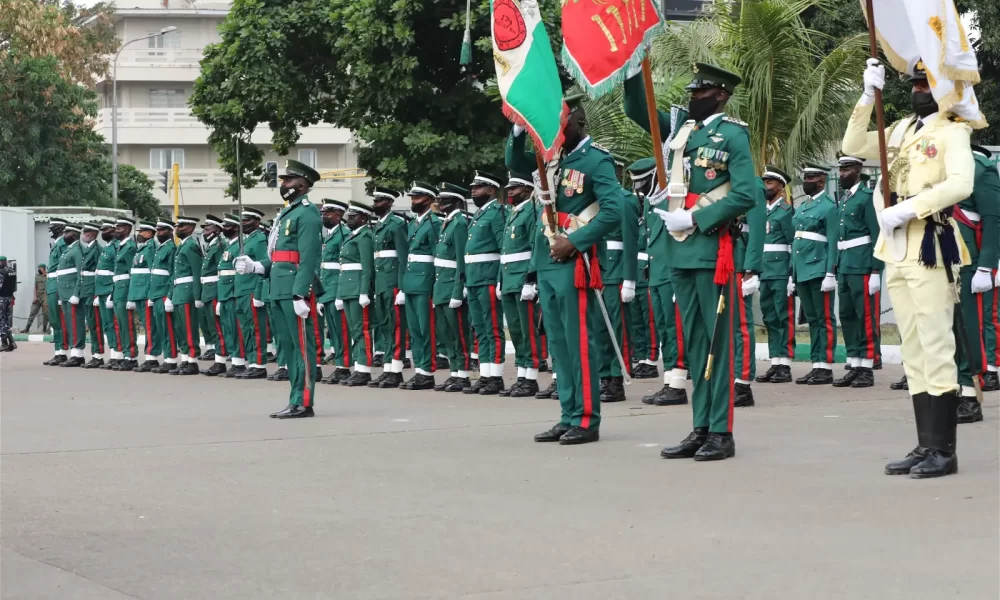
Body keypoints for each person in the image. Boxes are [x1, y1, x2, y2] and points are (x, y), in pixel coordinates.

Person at [843, 58, 974, 478]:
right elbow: (852, 146)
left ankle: (945, 451)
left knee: (936, 345)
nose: (919, 90)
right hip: (896, 248)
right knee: (914, 347)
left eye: (927, 83)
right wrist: (866, 96)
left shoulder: (954, 130)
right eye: (915, 83)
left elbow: (960, 183)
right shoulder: (899, 129)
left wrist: (909, 208)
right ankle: (925, 444)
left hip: (930, 242)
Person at [626, 62, 757, 459]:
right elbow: (638, 110)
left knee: (717, 343)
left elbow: (747, 194)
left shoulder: (733, 135)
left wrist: (697, 217)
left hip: (712, 248)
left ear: (720, 94)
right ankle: (700, 425)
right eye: (692, 91)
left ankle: (722, 432)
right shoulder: (682, 131)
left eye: (700, 92)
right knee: (695, 344)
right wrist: (633, 70)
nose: (691, 97)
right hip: (678, 251)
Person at [507, 97, 623, 446]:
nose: (555, 131)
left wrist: (577, 242)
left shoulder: (596, 160)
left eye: (560, 123)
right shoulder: (550, 159)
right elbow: (514, 162)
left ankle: (587, 419)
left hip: (575, 263)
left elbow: (614, 210)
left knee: (579, 343)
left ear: (579, 123)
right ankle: (568, 414)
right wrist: (519, 127)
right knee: (558, 345)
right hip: (547, 260)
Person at [236, 159, 323, 419]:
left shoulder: (307, 213)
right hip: (277, 288)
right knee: (288, 348)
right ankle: (295, 398)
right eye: (284, 180)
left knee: (302, 348)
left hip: (293, 290)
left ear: (303, 184)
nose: (283, 184)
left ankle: (304, 402)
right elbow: (278, 256)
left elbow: (308, 258)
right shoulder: (288, 212)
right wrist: (255, 266)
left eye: (288, 180)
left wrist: (300, 293)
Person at [626, 158, 688, 406]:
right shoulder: (651, 205)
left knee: (675, 330)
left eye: (643, 182)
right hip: (656, 275)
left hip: (672, 273)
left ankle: (678, 385)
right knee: (663, 329)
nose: (640, 189)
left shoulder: (671, 200)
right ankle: (669, 381)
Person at [953, 144, 1000, 422]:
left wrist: (986, 265)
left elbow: (994, 219)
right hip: (935, 257)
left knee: (969, 327)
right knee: (945, 329)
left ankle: (970, 394)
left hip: (967, 258)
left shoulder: (978, 169)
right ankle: (950, 389)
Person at [831, 157, 882, 389]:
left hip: (862, 264)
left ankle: (868, 367)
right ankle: (854, 362)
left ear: (858, 171)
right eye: (841, 169)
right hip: (845, 264)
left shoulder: (867, 198)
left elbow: (877, 235)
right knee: (847, 315)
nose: (842, 173)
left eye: (847, 169)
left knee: (866, 317)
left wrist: (875, 270)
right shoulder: (844, 199)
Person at [790, 163, 838, 386]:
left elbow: (832, 243)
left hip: (819, 268)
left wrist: (830, 273)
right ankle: (816, 364)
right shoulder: (802, 206)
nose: (806, 181)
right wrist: (792, 274)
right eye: (805, 177)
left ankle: (825, 366)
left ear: (821, 181)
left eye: (810, 178)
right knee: (812, 320)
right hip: (802, 269)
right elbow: (796, 240)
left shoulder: (828, 206)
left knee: (824, 318)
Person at [498, 171, 544, 397]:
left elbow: (536, 247)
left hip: (522, 278)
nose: (510, 193)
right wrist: (500, 280)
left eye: (514, 189)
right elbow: (504, 252)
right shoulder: (512, 213)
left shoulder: (532, 211)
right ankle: (521, 376)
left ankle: (531, 378)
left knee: (528, 331)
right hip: (508, 279)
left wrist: (531, 280)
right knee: (516, 330)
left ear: (526, 190)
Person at [595, 172, 638, 404]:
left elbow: (631, 241)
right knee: (600, 331)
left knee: (618, 330)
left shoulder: (626, 200)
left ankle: (617, 379)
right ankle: (604, 376)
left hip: (616, 272)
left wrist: (629, 279)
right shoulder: (592, 200)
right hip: (598, 272)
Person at [464, 171, 508, 395]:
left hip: (489, 277)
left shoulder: (497, 212)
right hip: (474, 278)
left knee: (492, 329)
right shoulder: (479, 214)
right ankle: (485, 374)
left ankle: (496, 377)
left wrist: (501, 279)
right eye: (473, 187)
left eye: (478, 187)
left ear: (491, 190)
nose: (473, 191)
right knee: (480, 329)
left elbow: (503, 248)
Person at [400, 181, 442, 390]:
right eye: (412, 198)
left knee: (427, 330)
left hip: (425, 281)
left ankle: (428, 372)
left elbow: (437, 256)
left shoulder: (434, 223)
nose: (413, 201)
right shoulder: (412, 223)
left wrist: (435, 283)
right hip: (411, 282)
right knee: (415, 329)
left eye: (417, 198)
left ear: (428, 200)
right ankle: (419, 370)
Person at [754, 167, 795, 384]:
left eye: (770, 183)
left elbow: (792, 243)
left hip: (781, 271)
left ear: (780, 186)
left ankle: (785, 364)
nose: (766, 187)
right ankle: (775, 361)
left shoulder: (786, 211)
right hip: (765, 272)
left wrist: (791, 275)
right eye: (764, 183)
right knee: (769, 317)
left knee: (783, 316)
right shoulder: (762, 210)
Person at [432, 182, 473, 392]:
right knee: (446, 333)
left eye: (445, 199)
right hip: (441, 286)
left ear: (457, 201)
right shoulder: (446, 223)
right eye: (440, 199)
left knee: (459, 333)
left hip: (452, 286)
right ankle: (454, 373)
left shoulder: (459, 223)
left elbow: (461, 260)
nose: (440, 203)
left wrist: (459, 290)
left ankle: (463, 374)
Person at [369, 187, 409, 388]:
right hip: (381, 283)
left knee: (396, 326)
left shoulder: (396, 224)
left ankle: (397, 369)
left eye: (379, 201)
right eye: (375, 201)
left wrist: (402, 287)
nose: (375, 204)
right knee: (384, 326)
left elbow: (403, 258)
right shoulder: (378, 226)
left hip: (393, 282)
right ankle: (387, 368)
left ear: (389, 203)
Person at [732, 179, 766, 407]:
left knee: (741, 326)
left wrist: (750, 269)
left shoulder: (751, 185)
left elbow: (756, 228)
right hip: (719, 263)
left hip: (739, 264)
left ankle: (742, 383)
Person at [337, 199, 376, 386]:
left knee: (362, 330)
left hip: (357, 288)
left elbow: (367, 267)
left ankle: (364, 368)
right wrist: (339, 293)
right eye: (348, 216)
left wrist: (364, 291)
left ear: (364, 218)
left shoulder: (365, 236)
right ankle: (358, 367)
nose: (349, 219)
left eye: (353, 217)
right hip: (347, 288)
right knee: (354, 330)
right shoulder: (352, 236)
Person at [625, 163, 658, 382]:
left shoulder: (656, 204)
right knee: (637, 318)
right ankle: (642, 355)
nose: (638, 189)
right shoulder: (644, 206)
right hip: (637, 271)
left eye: (642, 183)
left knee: (650, 319)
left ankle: (652, 359)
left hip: (650, 270)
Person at [317, 200, 352, 384]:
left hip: (337, 286)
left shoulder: (344, 234)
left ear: (339, 215)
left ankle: (344, 366)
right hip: (326, 287)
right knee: (332, 330)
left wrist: (340, 293)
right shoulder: (328, 235)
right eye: (323, 213)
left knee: (341, 330)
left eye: (328, 213)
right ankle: (339, 363)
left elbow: (344, 265)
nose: (324, 216)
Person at [235, 208, 269, 379]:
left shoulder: (260, 239)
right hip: (241, 289)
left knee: (256, 329)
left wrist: (259, 293)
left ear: (256, 222)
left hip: (252, 289)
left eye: (247, 220)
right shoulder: (245, 240)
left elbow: (264, 266)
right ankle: (251, 361)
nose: (243, 223)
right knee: (246, 329)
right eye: (242, 220)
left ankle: (259, 364)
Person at [169, 215, 202, 375]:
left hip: (188, 291)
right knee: (180, 328)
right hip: (178, 291)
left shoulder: (191, 246)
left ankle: (193, 361)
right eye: (177, 226)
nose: (177, 229)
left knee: (189, 327)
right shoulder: (181, 246)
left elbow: (197, 272)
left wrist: (197, 296)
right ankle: (185, 359)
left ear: (190, 228)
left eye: (181, 226)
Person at [55, 223, 89, 367]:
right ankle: (73, 353)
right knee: (69, 324)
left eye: (67, 233)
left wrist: (76, 293)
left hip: (72, 293)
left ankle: (78, 354)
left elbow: (81, 274)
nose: (64, 235)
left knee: (76, 323)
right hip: (64, 293)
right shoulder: (68, 250)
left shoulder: (78, 250)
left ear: (74, 234)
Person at [216, 213, 246, 378]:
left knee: (236, 329)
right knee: (228, 329)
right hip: (225, 293)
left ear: (235, 228)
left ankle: (239, 362)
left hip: (233, 293)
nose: (223, 229)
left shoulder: (239, 247)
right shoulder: (229, 246)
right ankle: (235, 360)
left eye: (227, 226)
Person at [199, 215, 228, 375]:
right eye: (204, 228)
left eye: (208, 228)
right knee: (212, 327)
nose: (205, 231)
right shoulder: (211, 246)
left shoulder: (220, 245)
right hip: (208, 290)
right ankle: (219, 359)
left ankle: (221, 361)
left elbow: (222, 270)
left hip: (216, 289)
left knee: (218, 328)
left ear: (217, 230)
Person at [129, 220, 160, 372]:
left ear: (149, 233)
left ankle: (152, 357)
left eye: (142, 232)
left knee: (150, 326)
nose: (139, 234)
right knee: (146, 325)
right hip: (139, 293)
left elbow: (152, 273)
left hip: (146, 292)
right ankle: (150, 355)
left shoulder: (151, 248)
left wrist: (150, 294)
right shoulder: (142, 248)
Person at [149, 220, 178, 374]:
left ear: (170, 231)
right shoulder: (160, 249)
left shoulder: (171, 248)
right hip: (156, 293)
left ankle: (171, 359)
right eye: (157, 230)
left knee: (168, 328)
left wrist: (169, 295)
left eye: (162, 230)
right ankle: (167, 357)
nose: (158, 232)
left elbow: (173, 273)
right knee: (161, 327)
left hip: (164, 293)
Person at [112, 217, 139, 372]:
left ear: (128, 229)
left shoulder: (129, 247)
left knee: (127, 324)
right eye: (116, 227)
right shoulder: (120, 246)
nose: (116, 230)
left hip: (125, 288)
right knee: (120, 324)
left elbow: (132, 272)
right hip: (117, 288)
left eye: (120, 228)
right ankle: (124, 354)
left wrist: (131, 295)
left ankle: (131, 357)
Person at [42, 218, 69, 366]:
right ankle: (58, 351)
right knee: (54, 320)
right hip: (51, 284)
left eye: (52, 228)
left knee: (59, 320)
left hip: (57, 284)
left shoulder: (62, 244)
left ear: (59, 229)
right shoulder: (57, 244)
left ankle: (62, 352)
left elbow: (63, 267)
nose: (50, 231)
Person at [76, 223, 103, 368]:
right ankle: (95, 354)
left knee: (95, 324)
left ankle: (97, 355)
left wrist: (97, 293)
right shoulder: (87, 248)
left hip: (92, 289)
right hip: (86, 290)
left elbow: (99, 272)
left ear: (92, 234)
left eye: (85, 232)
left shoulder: (97, 249)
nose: (83, 234)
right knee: (91, 324)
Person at [92, 221, 118, 369]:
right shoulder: (106, 248)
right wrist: (97, 294)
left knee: (113, 323)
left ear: (114, 230)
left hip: (109, 289)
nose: (103, 232)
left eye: (106, 229)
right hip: (101, 290)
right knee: (107, 324)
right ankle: (113, 353)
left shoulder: (114, 248)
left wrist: (112, 293)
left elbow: (116, 271)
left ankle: (116, 354)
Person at [23, 264, 48, 334]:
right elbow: (35, 287)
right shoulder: (37, 277)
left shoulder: (48, 276)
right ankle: (27, 328)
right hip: (37, 297)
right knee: (32, 313)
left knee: (45, 315)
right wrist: (35, 297)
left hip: (45, 298)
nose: (39, 270)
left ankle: (44, 329)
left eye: (40, 268)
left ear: (43, 269)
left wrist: (46, 299)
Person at [0, 256, 16, 352]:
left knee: (1, 321)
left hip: (1, 298)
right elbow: (13, 286)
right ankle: (11, 343)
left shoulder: (1, 272)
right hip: (9, 298)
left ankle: (4, 343)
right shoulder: (11, 270)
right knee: (6, 320)